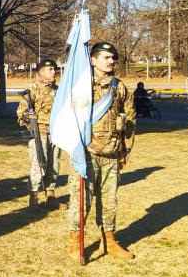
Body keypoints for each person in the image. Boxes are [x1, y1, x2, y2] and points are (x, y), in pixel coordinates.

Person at [65, 42, 137, 262]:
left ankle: (110, 241)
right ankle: (75, 243)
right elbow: (66, 117)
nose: (111, 61)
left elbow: (131, 120)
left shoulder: (119, 87)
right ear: (93, 60)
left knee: (109, 202)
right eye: (106, 57)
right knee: (81, 202)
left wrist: (124, 151)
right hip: (85, 156)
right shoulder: (79, 87)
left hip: (111, 157)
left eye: (113, 58)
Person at [16, 58, 66, 211]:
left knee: (54, 164)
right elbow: (20, 114)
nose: (53, 72)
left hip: (55, 133)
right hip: (39, 133)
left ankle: (50, 196)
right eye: (50, 69)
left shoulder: (58, 90)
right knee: (39, 165)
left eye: (54, 69)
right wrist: (31, 123)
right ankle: (34, 197)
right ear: (40, 72)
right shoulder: (32, 90)